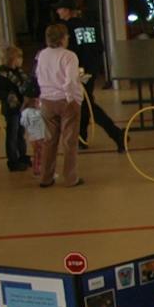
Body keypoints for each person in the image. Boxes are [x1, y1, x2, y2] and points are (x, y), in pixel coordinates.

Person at [53, 0, 126, 151]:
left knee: (87, 105)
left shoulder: (64, 28)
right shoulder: (90, 25)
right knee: (85, 103)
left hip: (76, 72)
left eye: (59, 9)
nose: (57, 12)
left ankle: (116, 134)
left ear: (66, 10)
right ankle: (82, 137)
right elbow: (100, 47)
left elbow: (65, 52)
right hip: (90, 70)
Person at [33, 22, 86, 188]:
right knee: (69, 141)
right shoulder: (69, 56)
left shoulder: (42, 55)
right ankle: (70, 178)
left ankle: (46, 177)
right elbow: (70, 81)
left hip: (47, 100)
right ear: (63, 38)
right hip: (65, 100)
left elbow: (38, 75)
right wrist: (72, 98)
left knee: (49, 140)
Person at [0, 45, 35, 171]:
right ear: (13, 59)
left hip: (21, 108)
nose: (21, 60)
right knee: (12, 135)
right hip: (11, 110)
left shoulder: (19, 73)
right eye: (19, 58)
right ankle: (13, 161)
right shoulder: (3, 75)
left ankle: (22, 156)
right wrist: (8, 96)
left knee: (20, 133)